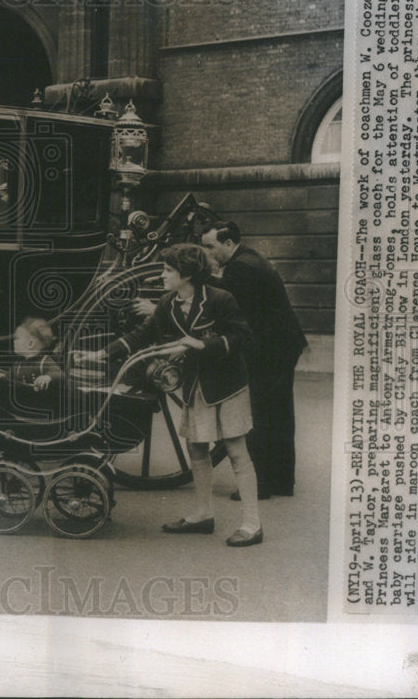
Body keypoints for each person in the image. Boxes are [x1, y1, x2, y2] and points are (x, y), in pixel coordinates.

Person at [83, 243, 263, 547]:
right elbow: (141, 335)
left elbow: (243, 337)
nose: (162, 275)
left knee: (235, 450)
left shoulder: (220, 299)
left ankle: (252, 524)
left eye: (168, 270)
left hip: (227, 385)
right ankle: (203, 514)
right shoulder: (168, 303)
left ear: (187, 274)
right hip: (197, 385)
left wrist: (201, 344)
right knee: (196, 448)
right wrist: (100, 354)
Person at [200, 221, 308, 499]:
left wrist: (196, 276)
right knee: (279, 415)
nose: (207, 252)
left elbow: (223, 299)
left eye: (210, 246)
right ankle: (281, 482)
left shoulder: (242, 267)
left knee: (262, 414)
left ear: (227, 243)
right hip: (279, 346)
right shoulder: (247, 259)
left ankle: (262, 484)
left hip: (273, 350)